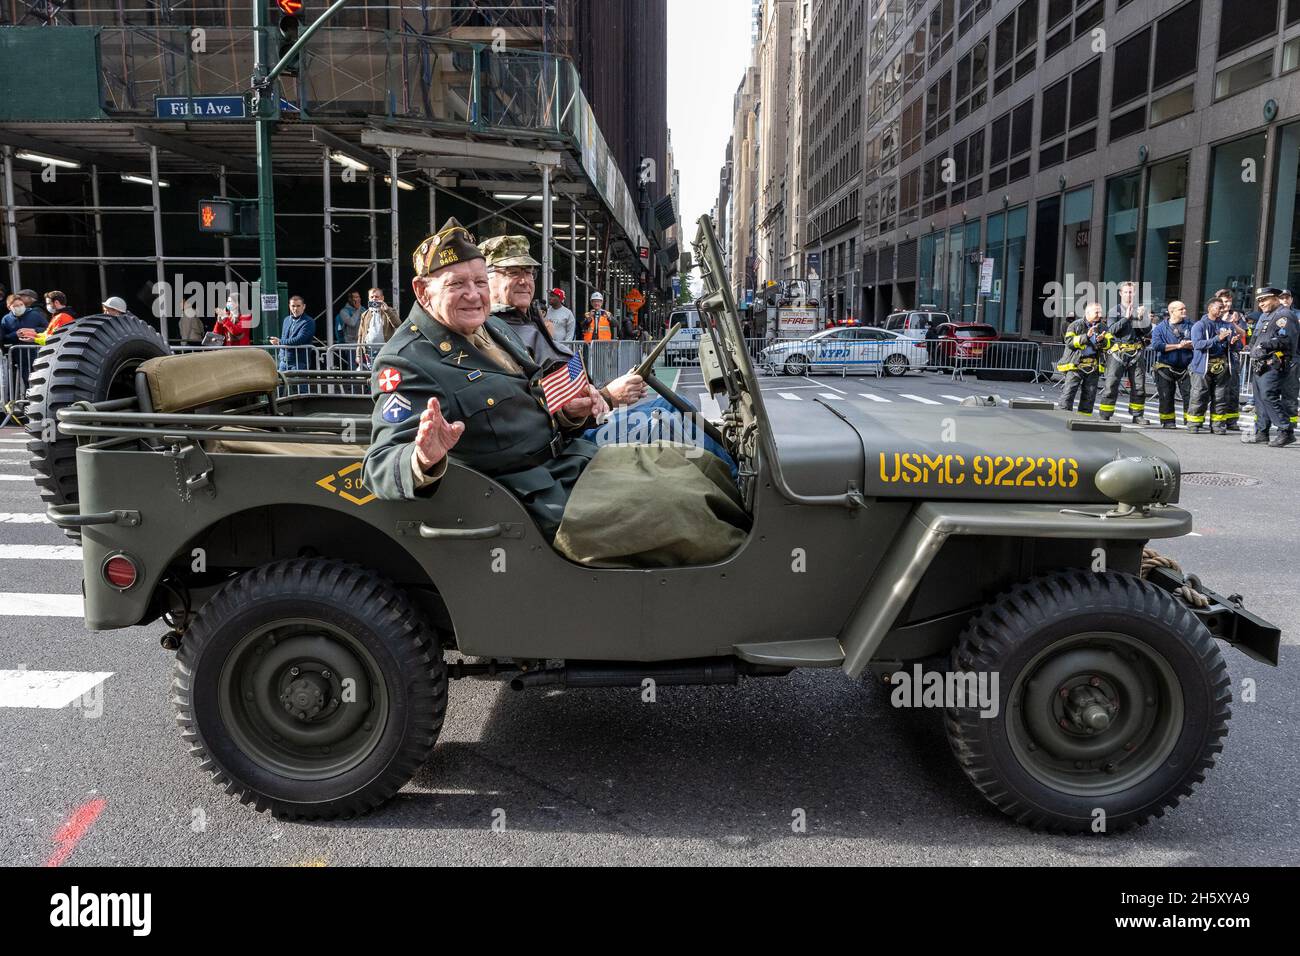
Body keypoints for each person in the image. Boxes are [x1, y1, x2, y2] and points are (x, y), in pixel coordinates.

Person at [363, 219, 606, 539]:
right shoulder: (407, 360)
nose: (473, 295)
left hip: (570, 464)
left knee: (681, 464)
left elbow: (532, 395)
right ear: (423, 291)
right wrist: (422, 458)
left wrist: (569, 413)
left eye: (480, 282)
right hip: (534, 501)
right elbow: (379, 464)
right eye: (456, 284)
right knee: (671, 509)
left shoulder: (493, 328)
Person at [478, 234, 646, 406]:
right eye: (513, 273)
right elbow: (528, 409)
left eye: (529, 272)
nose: (524, 281)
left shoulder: (528, 321)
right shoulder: (488, 332)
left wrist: (603, 395)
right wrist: (608, 397)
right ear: (484, 279)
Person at [1249, 286, 1296, 448]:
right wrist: (1253, 347)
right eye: (1259, 301)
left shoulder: (1284, 315)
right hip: (1260, 363)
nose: (1261, 303)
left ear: (1276, 298)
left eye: (1264, 299)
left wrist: (1264, 346)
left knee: (1269, 396)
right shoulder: (1266, 315)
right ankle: (1263, 431)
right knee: (1261, 399)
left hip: (1273, 363)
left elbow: (1286, 340)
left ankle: (1285, 430)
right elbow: (1257, 336)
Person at [1188, 297, 1242, 435]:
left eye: (1223, 307)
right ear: (1210, 308)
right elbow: (1197, 344)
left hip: (1222, 366)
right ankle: (1194, 423)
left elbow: (1237, 347)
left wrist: (1234, 342)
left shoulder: (1228, 325)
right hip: (1203, 367)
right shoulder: (1200, 325)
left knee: (1221, 397)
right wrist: (1217, 338)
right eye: (1219, 307)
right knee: (1199, 395)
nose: (1222, 310)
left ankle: (1218, 425)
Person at [1098, 282, 1148, 423]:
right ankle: (1105, 414)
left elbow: (1147, 331)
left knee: (1139, 386)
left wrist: (1143, 318)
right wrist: (1126, 318)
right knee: (1111, 384)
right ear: (1121, 293)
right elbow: (1111, 330)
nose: (1129, 295)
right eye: (1126, 292)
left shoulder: (1140, 310)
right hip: (1118, 352)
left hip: (1136, 351)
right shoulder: (1115, 311)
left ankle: (1137, 415)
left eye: (1131, 292)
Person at [1056, 303, 1109, 415]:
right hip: (1076, 365)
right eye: (1097, 312)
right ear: (1088, 313)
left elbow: (1110, 343)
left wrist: (1102, 341)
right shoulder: (1075, 325)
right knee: (1068, 393)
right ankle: (1062, 416)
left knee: (1089, 396)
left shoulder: (1103, 327)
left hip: (1093, 366)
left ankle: (1084, 420)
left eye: (1100, 312)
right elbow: (1069, 342)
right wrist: (1087, 337)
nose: (1100, 315)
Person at [1149, 300, 1194, 429]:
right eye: (1181, 309)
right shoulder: (1160, 328)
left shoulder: (1192, 325)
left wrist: (1189, 345)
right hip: (1165, 367)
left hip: (1186, 367)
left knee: (1190, 395)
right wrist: (1178, 346)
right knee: (1166, 395)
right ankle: (1168, 421)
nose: (1184, 311)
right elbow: (1157, 345)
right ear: (1171, 311)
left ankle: (1191, 421)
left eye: (1185, 308)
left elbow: (1199, 342)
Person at [1216, 289, 1249, 431]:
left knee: (1233, 389)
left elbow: (1245, 333)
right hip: (1217, 357)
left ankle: (1232, 420)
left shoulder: (1237, 316)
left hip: (1233, 357)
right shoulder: (1213, 315)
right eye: (1224, 301)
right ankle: (1217, 420)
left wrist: (1233, 324)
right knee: (1218, 390)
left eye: (1229, 301)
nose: (1227, 304)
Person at [355, 286, 400, 368]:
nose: (374, 299)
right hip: (369, 351)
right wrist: (358, 355)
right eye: (372, 297)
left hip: (385, 350)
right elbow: (360, 335)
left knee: (384, 373)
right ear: (369, 299)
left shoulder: (390, 310)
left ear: (382, 298)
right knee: (372, 373)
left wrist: (387, 311)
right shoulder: (365, 314)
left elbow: (397, 324)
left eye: (377, 297)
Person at [270, 295, 316, 372]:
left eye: (298, 306)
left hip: (299, 363)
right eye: (293, 306)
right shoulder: (287, 320)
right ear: (289, 306)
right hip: (283, 362)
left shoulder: (309, 321)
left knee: (299, 383)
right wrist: (281, 355)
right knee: (281, 384)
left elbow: (299, 339)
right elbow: (284, 337)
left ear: (304, 306)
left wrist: (279, 341)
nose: (295, 308)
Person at [1279, 289, 1299, 436]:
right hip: (1275, 357)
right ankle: (1263, 425)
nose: (1285, 300)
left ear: (1291, 299)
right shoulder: (1273, 314)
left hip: (1293, 357)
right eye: (1282, 298)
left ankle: (1290, 424)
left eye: (1287, 298)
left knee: (1290, 392)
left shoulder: (1297, 314)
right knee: (1270, 391)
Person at [334, 290, 363, 366]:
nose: (358, 299)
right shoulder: (344, 311)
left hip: (363, 343)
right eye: (356, 297)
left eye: (359, 297)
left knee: (365, 366)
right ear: (350, 299)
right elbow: (352, 323)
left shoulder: (363, 309)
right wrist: (358, 309)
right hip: (351, 344)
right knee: (352, 367)